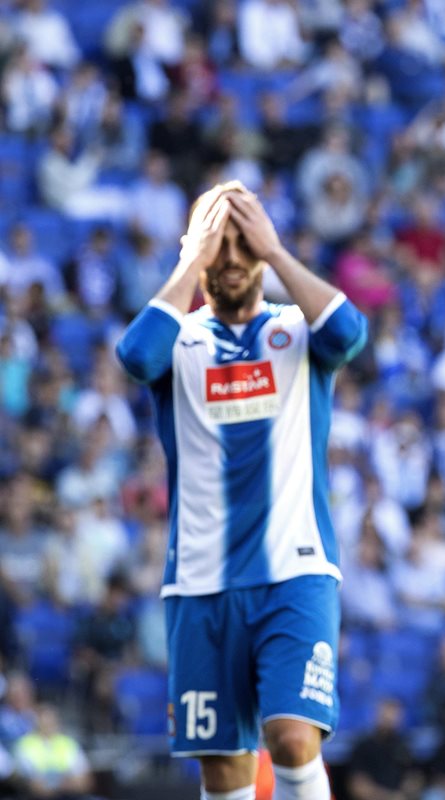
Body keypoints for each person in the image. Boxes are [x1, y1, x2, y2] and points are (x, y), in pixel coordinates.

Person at [115, 181, 368, 800]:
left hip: (295, 571)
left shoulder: (295, 329)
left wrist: (277, 253)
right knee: (224, 769)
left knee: (290, 737)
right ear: (194, 250)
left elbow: (350, 333)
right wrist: (191, 259)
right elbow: (134, 356)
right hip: (201, 581)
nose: (230, 257)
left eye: (242, 242)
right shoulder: (177, 338)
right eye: (216, 243)